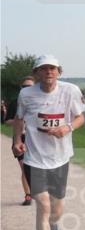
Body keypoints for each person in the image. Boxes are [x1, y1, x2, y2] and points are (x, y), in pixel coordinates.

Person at [11, 57, 85, 230]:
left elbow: (81, 118)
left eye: (52, 68)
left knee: (56, 208)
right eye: (43, 69)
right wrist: (17, 140)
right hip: (34, 158)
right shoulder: (26, 94)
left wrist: (67, 128)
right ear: (36, 73)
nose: (48, 72)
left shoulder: (70, 90)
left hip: (60, 158)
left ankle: (54, 226)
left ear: (59, 72)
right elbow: (19, 118)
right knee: (43, 206)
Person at [12, 76, 36, 205]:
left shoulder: (40, 102)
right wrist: (19, 122)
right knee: (25, 167)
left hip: (35, 139)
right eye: (25, 87)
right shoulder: (15, 102)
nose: (27, 89)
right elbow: (7, 120)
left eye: (30, 87)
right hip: (20, 139)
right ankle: (28, 195)